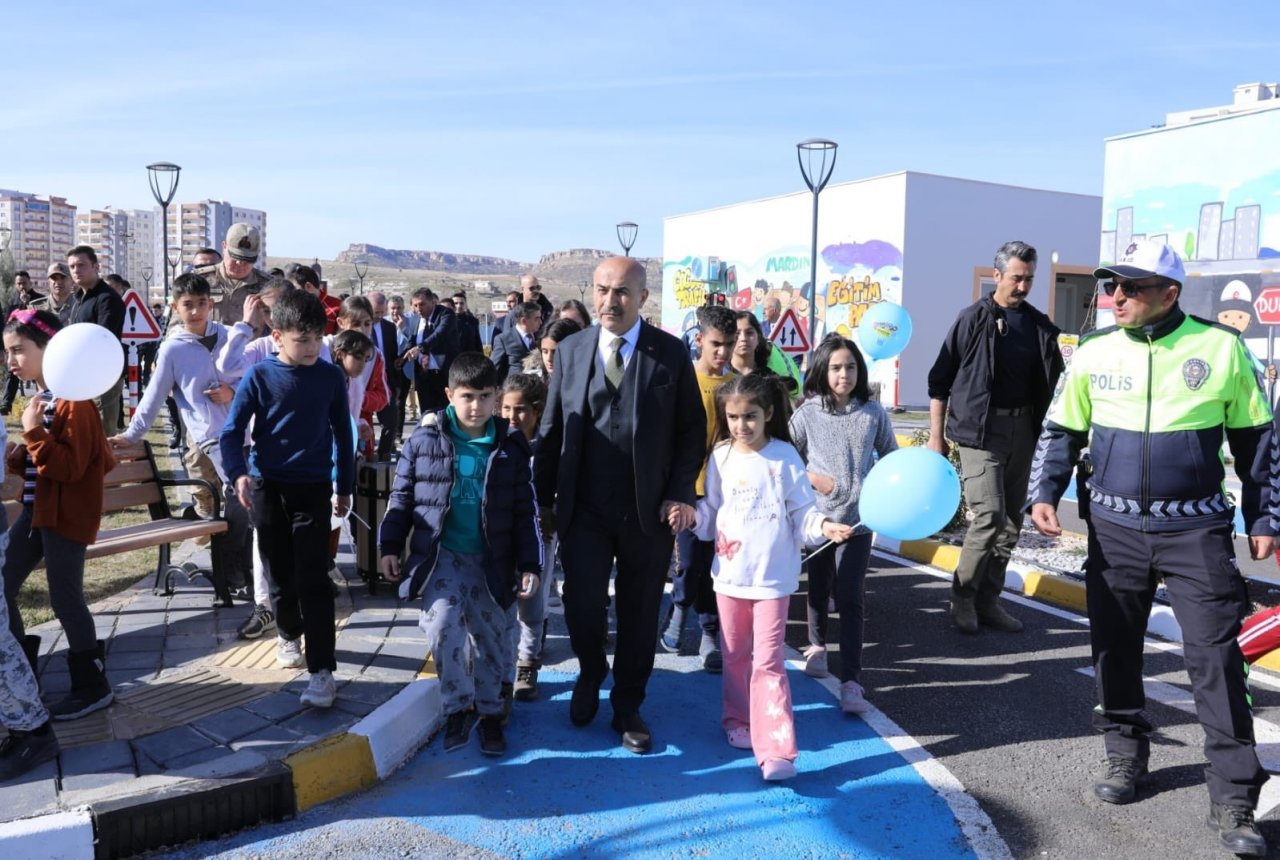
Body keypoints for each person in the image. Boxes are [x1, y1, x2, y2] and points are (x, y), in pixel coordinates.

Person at [1027, 241, 1274, 856]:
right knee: (1114, 649)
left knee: (1215, 658)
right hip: (1113, 531)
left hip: (1196, 532)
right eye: (1112, 286)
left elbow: (1259, 441)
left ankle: (1235, 794)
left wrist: (1266, 515)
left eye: (1131, 288)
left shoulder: (1220, 348)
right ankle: (1124, 757)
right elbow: (1062, 428)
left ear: (1170, 292)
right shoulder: (1093, 351)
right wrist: (1045, 492)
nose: (1115, 298)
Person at [534, 256, 705, 755]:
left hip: (647, 513)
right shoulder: (570, 350)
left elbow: (691, 430)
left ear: (643, 298)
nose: (611, 301)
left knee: (639, 610)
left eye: (623, 292)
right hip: (583, 508)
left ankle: (628, 703)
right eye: (603, 290)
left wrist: (679, 491)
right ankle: (591, 672)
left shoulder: (670, 354)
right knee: (582, 602)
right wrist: (543, 502)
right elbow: (550, 431)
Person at [379, 353, 542, 756]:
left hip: (492, 561)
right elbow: (400, 498)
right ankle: (457, 707)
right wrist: (388, 546)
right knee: (442, 626)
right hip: (443, 557)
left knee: (491, 639)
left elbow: (526, 512)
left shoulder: (510, 447)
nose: (476, 406)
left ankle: (490, 715)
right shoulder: (424, 441)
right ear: (450, 394)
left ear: (495, 397)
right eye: (467, 396)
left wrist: (529, 565)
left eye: (485, 397)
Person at [693, 372, 851, 781]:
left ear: (767, 415)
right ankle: (736, 721)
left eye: (750, 416)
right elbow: (709, 516)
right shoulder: (720, 457)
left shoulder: (785, 457)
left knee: (768, 662)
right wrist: (689, 519)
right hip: (728, 577)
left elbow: (802, 511)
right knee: (734, 658)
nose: (741, 425)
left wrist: (824, 527)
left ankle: (777, 748)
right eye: (732, 417)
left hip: (774, 580)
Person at [220, 290, 355, 710]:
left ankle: (322, 671)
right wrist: (238, 473)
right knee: (279, 574)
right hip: (266, 486)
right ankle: (286, 632)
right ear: (277, 336)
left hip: (313, 488)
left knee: (313, 577)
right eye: (303, 340)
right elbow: (231, 431)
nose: (313, 348)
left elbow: (342, 436)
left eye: (318, 338)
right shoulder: (260, 376)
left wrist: (343, 486)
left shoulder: (331, 378)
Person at [927, 240, 1063, 634]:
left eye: (1029, 279)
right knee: (988, 517)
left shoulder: (1039, 325)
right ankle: (963, 596)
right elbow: (940, 382)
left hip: (1022, 431)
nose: (1022, 286)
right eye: (1017, 278)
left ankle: (989, 600)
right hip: (978, 433)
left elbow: (1063, 368)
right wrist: (937, 437)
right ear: (997, 275)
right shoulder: (972, 319)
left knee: (1010, 524)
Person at [2, 309, 117, 720]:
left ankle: (92, 683)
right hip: (37, 511)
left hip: (66, 515)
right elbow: (43, 465)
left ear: (51, 349)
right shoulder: (43, 398)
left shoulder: (75, 402)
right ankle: (22, 668)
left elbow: (70, 468)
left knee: (66, 599)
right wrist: (19, 457)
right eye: (7, 353)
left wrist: (32, 433)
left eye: (19, 350)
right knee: (2, 584)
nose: (11, 360)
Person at [109, 273, 251, 598]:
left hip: (245, 432)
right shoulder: (173, 350)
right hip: (212, 436)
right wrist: (132, 434)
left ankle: (242, 566)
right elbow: (154, 395)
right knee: (241, 493)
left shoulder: (230, 336)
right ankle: (232, 570)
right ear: (175, 307)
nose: (196, 311)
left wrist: (233, 391)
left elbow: (256, 376)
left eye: (202, 304)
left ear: (211, 304)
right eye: (188, 305)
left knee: (248, 501)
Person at [789, 334, 897, 713]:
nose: (844, 374)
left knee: (851, 595)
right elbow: (786, 460)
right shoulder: (805, 414)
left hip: (860, 522)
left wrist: (884, 489)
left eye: (850, 367)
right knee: (818, 588)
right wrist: (815, 480)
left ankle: (852, 680)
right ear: (822, 369)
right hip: (819, 521)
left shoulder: (873, 412)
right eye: (836, 367)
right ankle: (816, 646)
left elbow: (890, 457)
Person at [663, 304, 737, 672]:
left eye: (728, 344)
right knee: (689, 563)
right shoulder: (682, 381)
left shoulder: (736, 387)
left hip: (726, 495)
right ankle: (678, 610)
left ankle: (710, 633)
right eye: (716, 344)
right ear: (699, 340)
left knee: (716, 565)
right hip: (690, 492)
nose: (722, 352)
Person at [498, 373, 553, 704]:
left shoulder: (547, 448)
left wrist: (552, 511)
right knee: (502, 599)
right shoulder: (495, 440)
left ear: (537, 411)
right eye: (505, 408)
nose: (511, 417)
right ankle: (502, 663)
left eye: (519, 410)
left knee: (532, 600)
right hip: (503, 532)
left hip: (539, 535)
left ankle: (528, 662)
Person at [66, 245, 127, 434]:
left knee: (102, 430)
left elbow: (103, 338)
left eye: (81, 265)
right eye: (72, 266)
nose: (76, 270)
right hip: (82, 371)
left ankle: (107, 464)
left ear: (96, 267)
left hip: (104, 372)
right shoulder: (78, 298)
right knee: (83, 429)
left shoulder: (107, 298)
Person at [203, 224, 270, 327]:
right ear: (224, 246)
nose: (239, 263)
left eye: (247, 260)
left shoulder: (268, 286)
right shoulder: (200, 280)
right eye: (234, 257)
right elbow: (176, 327)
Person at [404, 288, 459, 413]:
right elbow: (411, 342)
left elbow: (438, 335)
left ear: (432, 302)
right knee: (427, 414)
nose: (419, 308)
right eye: (415, 305)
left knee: (446, 413)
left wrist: (420, 348)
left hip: (443, 374)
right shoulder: (415, 319)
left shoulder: (446, 314)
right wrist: (401, 358)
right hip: (423, 375)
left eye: (422, 304)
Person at [731, 311, 800, 396]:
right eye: (737, 334)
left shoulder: (768, 378)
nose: (743, 338)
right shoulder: (721, 373)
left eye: (749, 333)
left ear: (759, 337)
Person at [368, 292, 403, 460]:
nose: (380, 316)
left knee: (390, 420)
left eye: (382, 312)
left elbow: (392, 355)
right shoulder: (360, 326)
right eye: (376, 312)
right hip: (364, 381)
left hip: (385, 381)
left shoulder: (389, 328)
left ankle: (384, 452)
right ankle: (365, 452)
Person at [491, 301, 543, 380]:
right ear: (524, 321)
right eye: (537, 319)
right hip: (514, 388)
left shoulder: (540, 337)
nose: (540, 322)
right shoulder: (504, 339)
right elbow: (494, 368)